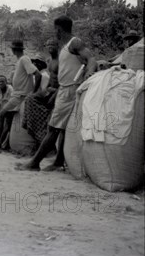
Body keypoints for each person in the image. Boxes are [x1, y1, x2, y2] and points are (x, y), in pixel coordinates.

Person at [18, 15, 97, 171]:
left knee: (53, 128)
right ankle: (58, 161)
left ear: (59, 29)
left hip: (69, 90)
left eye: (55, 30)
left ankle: (34, 163)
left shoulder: (75, 42)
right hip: (64, 89)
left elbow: (91, 59)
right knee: (62, 128)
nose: (55, 33)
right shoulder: (66, 46)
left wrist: (88, 73)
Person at [0, 39, 43, 153]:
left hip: (20, 96)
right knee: (7, 120)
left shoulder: (24, 59)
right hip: (17, 95)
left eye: (12, 48)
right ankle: (1, 145)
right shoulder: (20, 61)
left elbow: (38, 75)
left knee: (0, 115)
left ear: (14, 49)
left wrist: (33, 94)